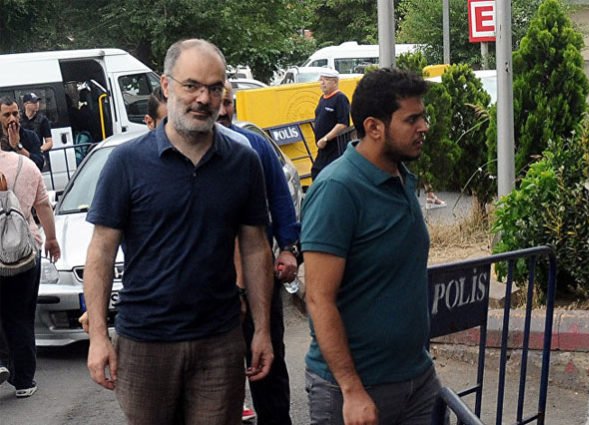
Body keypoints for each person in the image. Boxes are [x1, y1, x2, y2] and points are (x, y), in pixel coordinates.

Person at [82, 39, 274, 425]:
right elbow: (101, 251)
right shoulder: (126, 163)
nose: (204, 98)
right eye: (192, 86)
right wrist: (98, 336)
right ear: (167, 86)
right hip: (144, 343)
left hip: (219, 342)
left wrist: (262, 330)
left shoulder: (243, 162)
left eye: (215, 88)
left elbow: (255, 248)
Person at [301, 68, 439, 425]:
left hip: (416, 380)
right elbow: (318, 298)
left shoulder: (401, 176)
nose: (424, 127)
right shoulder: (337, 189)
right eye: (412, 119)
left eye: (423, 116)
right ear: (374, 127)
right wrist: (351, 390)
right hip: (355, 392)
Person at [218, 81, 300, 425]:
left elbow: (281, 199)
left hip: (259, 278)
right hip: (209, 287)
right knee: (216, 380)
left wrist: (289, 249)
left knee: (268, 366)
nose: (223, 110)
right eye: (218, 102)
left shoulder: (254, 146)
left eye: (228, 102)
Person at [0, 133, 60, 398]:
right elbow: (43, 204)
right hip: (26, 250)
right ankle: (24, 381)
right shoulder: (26, 165)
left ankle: (1, 361)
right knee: (21, 315)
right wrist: (52, 240)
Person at [310, 68, 350, 180]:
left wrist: (326, 139)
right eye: (321, 80)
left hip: (335, 148)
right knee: (316, 172)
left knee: (327, 175)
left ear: (335, 82)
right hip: (323, 148)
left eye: (326, 80)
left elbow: (343, 124)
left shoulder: (340, 98)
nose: (322, 83)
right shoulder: (322, 99)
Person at [0, 97, 45, 170]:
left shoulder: (31, 136)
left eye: (15, 114)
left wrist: (18, 147)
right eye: (7, 115)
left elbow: (39, 164)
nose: (12, 119)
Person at [21, 93, 54, 160]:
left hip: (37, 156)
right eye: (33, 102)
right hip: (23, 156)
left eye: (37, 101)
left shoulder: (42, 119)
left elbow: (49, 142)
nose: (37, 104)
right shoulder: (19, 119)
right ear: (25, 104)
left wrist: (39, 150)